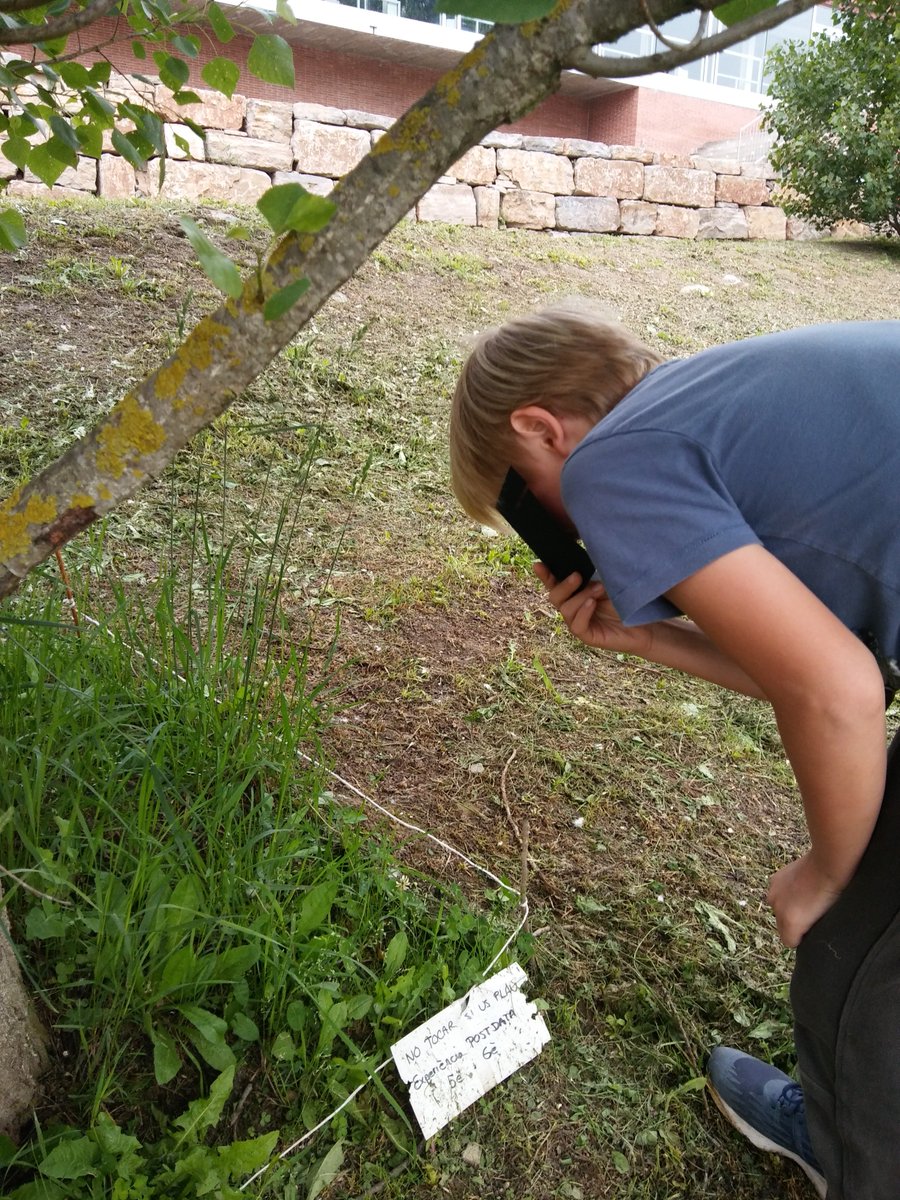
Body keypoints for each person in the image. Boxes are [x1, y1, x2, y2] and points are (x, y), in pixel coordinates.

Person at [448, 305, 900, 1199]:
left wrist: (829, 875)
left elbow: (838, 693)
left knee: (860, 957)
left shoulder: (615, 459)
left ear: (541, 427)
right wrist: (654, 641)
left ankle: (855, 1150)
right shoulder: (718, 394)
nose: (562, 531)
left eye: (528, 500)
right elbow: (843, 666)